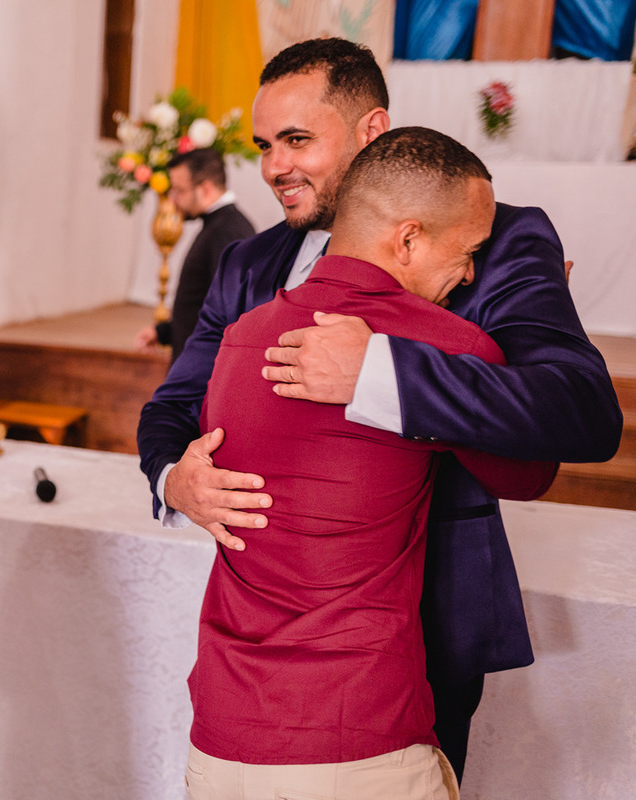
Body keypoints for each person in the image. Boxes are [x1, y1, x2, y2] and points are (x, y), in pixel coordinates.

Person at [136, 38, 622, 782]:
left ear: (371, 133)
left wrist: (382, 374)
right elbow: (175, 401)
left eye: (297, 140)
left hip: (425, 630)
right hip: (253, 660)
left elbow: (581, 410)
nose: (274, 167)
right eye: (264, 145)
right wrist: (175, 477)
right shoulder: (247, 264)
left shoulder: (489, 238)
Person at [189, 126, 556, 799]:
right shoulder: (448, 344)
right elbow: (530, 473)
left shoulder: (240, 339)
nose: (471, 273)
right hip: (358, 738)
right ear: (408, 239)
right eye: (468, 251)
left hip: (223, 736)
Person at [134, 147, 255, 362]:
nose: (173, 199)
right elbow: (204, 302)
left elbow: (226, 312)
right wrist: (164, 332)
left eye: (179, 191)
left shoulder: (227, 231)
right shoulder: (218, 225)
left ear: (206, 189)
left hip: (201, 371)